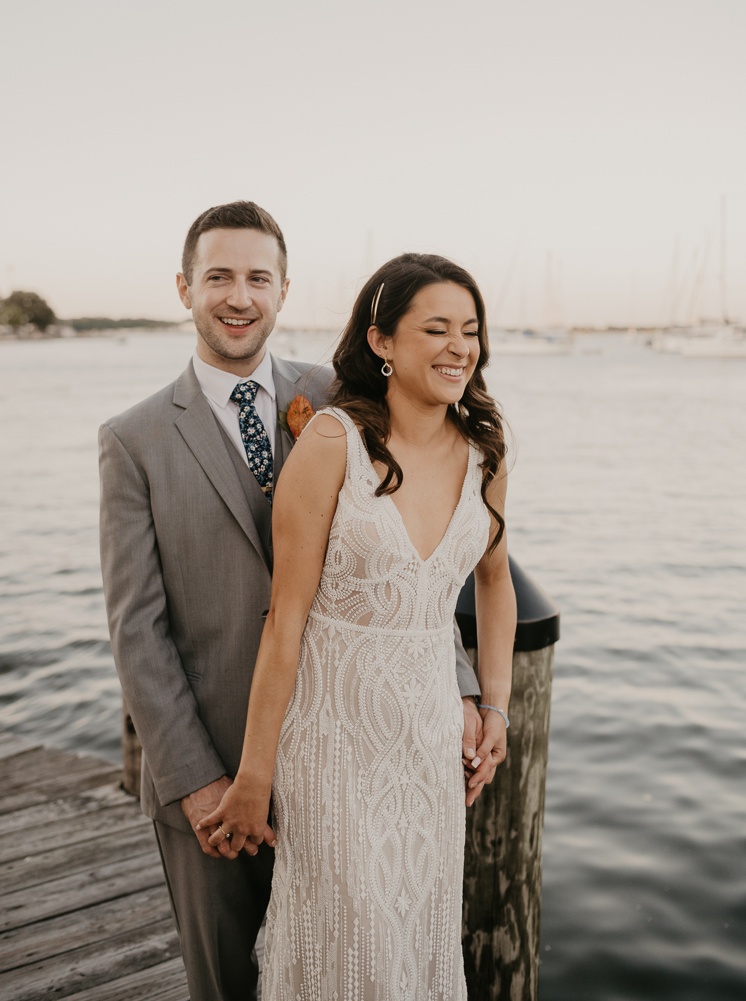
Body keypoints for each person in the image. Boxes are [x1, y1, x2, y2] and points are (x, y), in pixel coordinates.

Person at [99, 209, 484, 1000]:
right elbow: (136, 630)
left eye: (257, 278)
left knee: (357, 969)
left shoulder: (341, 400)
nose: (239, 297)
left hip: (350, 761)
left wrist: (467, 688)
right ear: (185, 289)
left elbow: (414, 553)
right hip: (214, 768)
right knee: (233, 982)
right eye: (218, 277)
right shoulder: (133, 439)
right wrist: (199, 778)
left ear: (282, 291)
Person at [202, 252, 517, 1000]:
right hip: (334, 745)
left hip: (428, 743)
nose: (458, 348)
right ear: (382, 342)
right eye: (435, 328)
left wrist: (496, 703)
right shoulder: (332, 443)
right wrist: (254, 776)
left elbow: (496, 581)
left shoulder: (486, 450)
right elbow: (285, 625)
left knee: (416, 937)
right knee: (350, 944)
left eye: (469, 331)